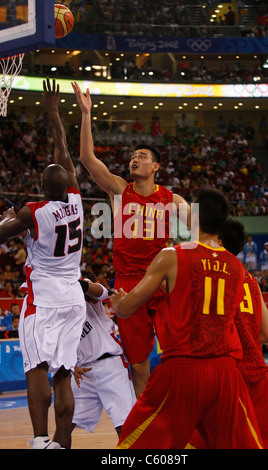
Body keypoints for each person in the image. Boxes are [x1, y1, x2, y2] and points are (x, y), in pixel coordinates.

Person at [110, 188, 263, 449]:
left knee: (132, 448)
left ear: (196, 217)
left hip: (183, 370)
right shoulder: (237, 266)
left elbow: (127, 308)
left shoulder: (172, 255)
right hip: (226, 373)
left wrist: (118, 303)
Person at [72, 81, 190, 397]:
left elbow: (202, 235)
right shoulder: (118, 191)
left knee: (179, 355)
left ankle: (181, 412)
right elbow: (87, 159)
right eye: (132, 156)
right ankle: (145, 425)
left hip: (161, 283)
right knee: (138, 366)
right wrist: (86, 115)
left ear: (156, 166)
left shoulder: (173, 199)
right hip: (127, 284)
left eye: (141, 156)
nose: (134, 159)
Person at [0, 78, 86, 450]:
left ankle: (38, 440)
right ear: (67, 184)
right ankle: (62, 443)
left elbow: (4, 233)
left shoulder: (33, 211)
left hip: (44, 298)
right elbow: (64, 151)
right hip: (74, 298)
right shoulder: (78, 201)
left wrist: (8, 220)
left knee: (36, 368)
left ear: (40, 185)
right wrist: (54, 114)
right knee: (63, 374)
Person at [218, 219, 268, 449]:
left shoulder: (213, 277)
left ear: (217, 242)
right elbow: (267, 335)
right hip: (259, 374)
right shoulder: (252, 281)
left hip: (229, 374)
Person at [70, 279, 136, 441]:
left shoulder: (81, 285)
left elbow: (102, 292)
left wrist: (77, 285)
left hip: (109, 364)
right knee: (65, 421)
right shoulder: (50, 304)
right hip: (81, 370)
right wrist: (71, 365)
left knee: (125, 423)